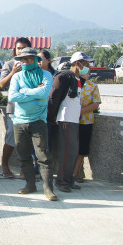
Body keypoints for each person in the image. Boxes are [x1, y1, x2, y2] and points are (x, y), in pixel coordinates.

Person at [8, 47, 57, 201]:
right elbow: (12, 96)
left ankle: (48, 188)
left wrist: (25, 91)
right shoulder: (17, 77)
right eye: (23, 59)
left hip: (38, 120)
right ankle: (30, 184)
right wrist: (34, 91)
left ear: (36, 60)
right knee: (23, 155)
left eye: (29, 58)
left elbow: (44, 94)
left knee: (43, 155)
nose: (25, 61)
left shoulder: (46, 74)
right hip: (19, 121)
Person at [0, 37, 32, 179]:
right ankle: (4, 164)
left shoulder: (33, 65)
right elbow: (2, 84)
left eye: (24, 48)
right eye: (19, 48)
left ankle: (25, 170)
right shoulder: (9, 64)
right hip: (13, 109)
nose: (21, 51)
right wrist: (13, 72)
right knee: (12, 136)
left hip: (30, 108)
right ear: (14, 50)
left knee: (27, 140)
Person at [46, 60, 80, 192]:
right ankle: (61, 181)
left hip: (73, 119)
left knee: (72, 152)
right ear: (76, 64)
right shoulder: (64, 76)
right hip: (65, 119)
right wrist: (52, 115)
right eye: (84, 64)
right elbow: (53, 97)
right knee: (66, 152)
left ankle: (68, 178)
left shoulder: (75, 79)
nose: (87, 67)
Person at [69, 52, 101, 184]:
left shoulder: (92, 86)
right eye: (85, 64)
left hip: (86, 120)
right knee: (70, 147)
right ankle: (67, 173)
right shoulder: (68, 81)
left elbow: (96, 103)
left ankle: (76, 173)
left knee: (82, 147)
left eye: (88, 65)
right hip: (70, 120)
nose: (88, 67)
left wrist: (82, 111)